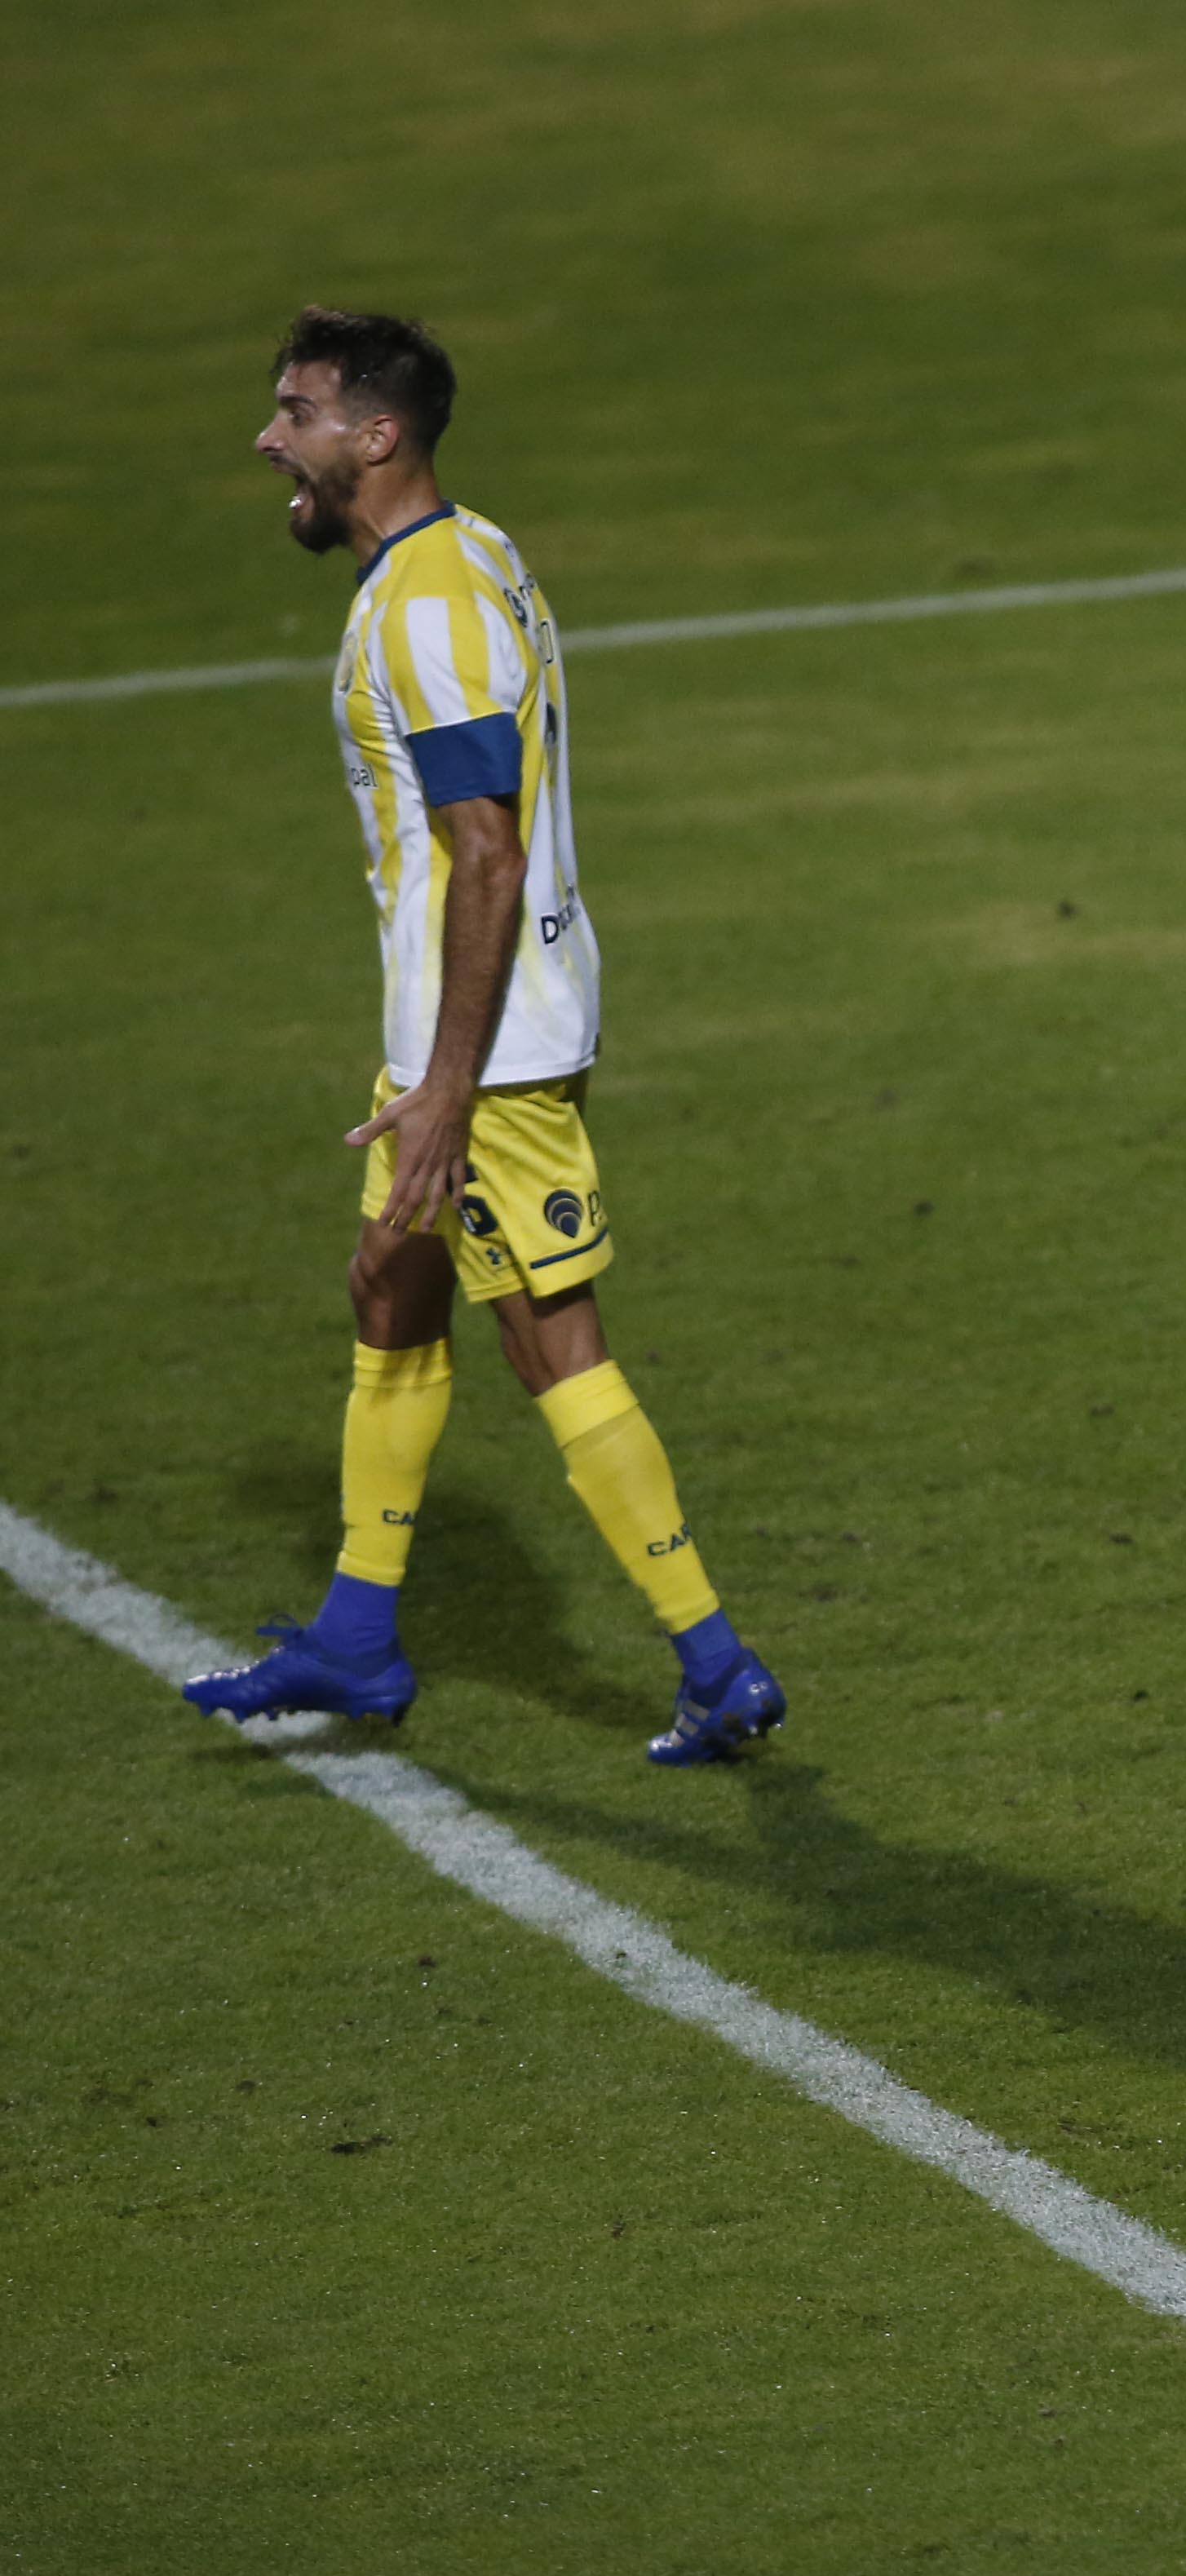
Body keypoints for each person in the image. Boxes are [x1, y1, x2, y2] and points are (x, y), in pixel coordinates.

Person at [181, 308, 785, 1765]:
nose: (271, 437)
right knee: (389, 1286)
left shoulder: (429, 609)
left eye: (296, 412)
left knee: (547, 1337)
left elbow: (488, 854)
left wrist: (447, 1088)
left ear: (374, 437)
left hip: (490, 1053)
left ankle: (715, 1657)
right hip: (463, 1034)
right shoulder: (461, 556)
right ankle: (358, 1634)